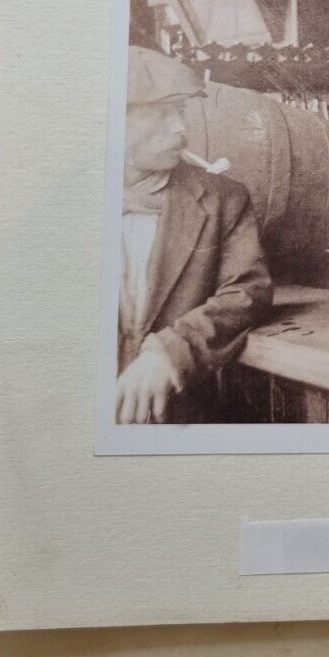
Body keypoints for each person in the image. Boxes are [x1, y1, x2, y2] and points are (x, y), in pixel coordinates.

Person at [115, 46, 271, 423]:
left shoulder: (222, 198)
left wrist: (169, 353)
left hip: (179, 417)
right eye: (161, 114)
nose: (181, 129)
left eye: (180, 111)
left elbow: (247, 291)